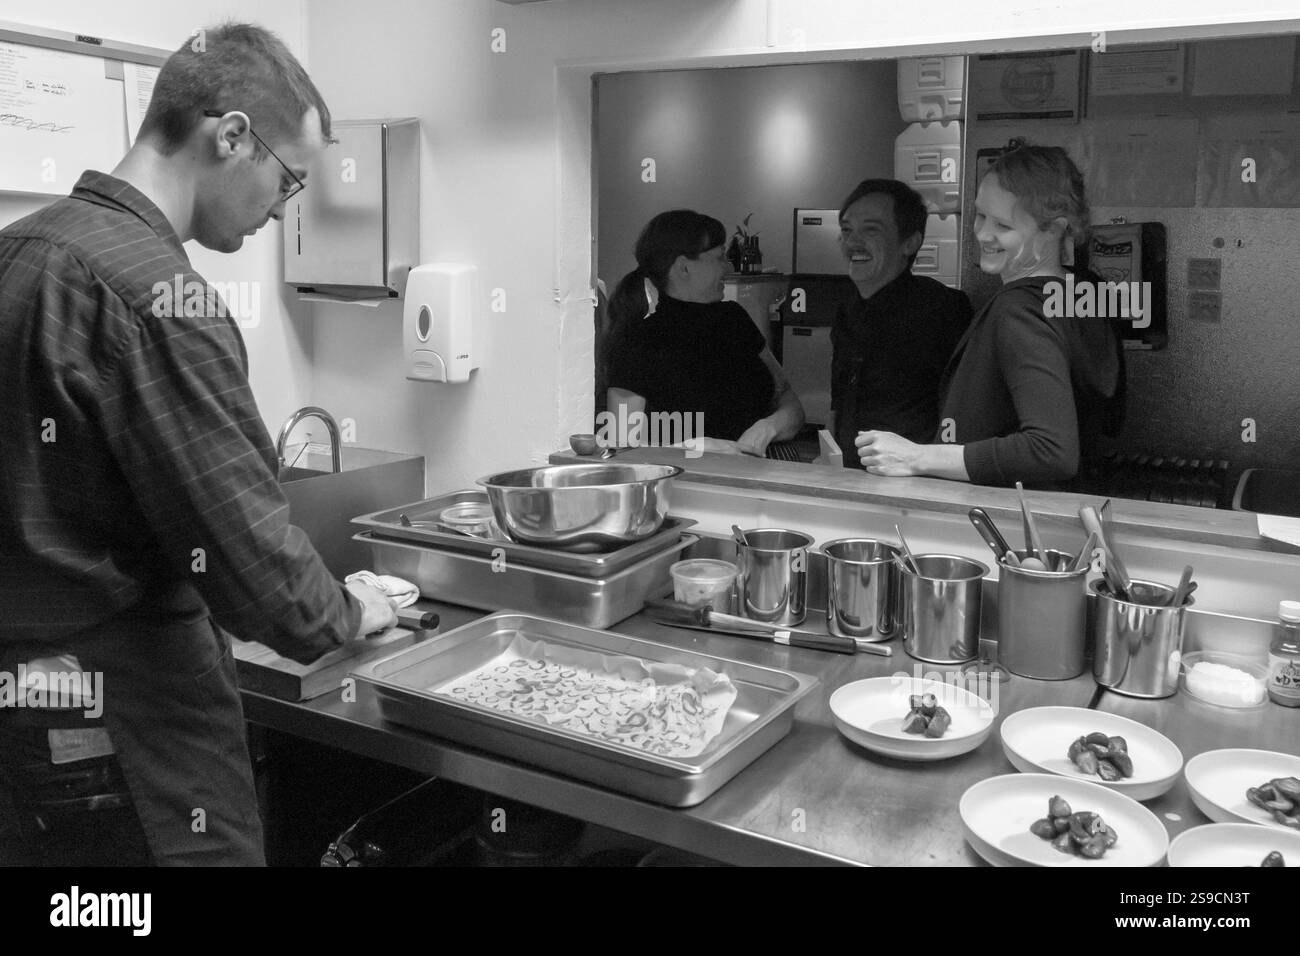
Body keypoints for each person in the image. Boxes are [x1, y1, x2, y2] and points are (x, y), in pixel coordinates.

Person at [0, 23, 397, 866]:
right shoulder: (160, 298)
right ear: (231, 137)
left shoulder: (17, 254)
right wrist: (354, 608)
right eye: (288, 179)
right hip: (130, 731)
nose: (286, 209)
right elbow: (256, 577)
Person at [856, 141, 1121, 487]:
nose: (983, 234)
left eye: (1003, 225)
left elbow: (1052, 449)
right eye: (980, 215)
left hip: (1009, 521)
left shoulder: (1019, 311)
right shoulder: (1084, 293)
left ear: (1054, 230)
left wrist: (916, 456)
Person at [605, 210, 805, 456]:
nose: (729, 266)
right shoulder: (637, 339)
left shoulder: (734, 319)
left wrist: (769, 427)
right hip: (688, 484)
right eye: (720, 257)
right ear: (684, 267)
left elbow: (790, 402)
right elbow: (620, 444)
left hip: (762, 475)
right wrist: (694, 448)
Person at [830, 179, 972, 466]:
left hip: (917, 482)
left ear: (910, 242)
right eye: (847, 230)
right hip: (850, 477)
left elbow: (966, 411)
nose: (852, 242)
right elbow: (840, 401)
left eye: (871, 230)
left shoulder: (943, 309)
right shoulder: (847, 309)